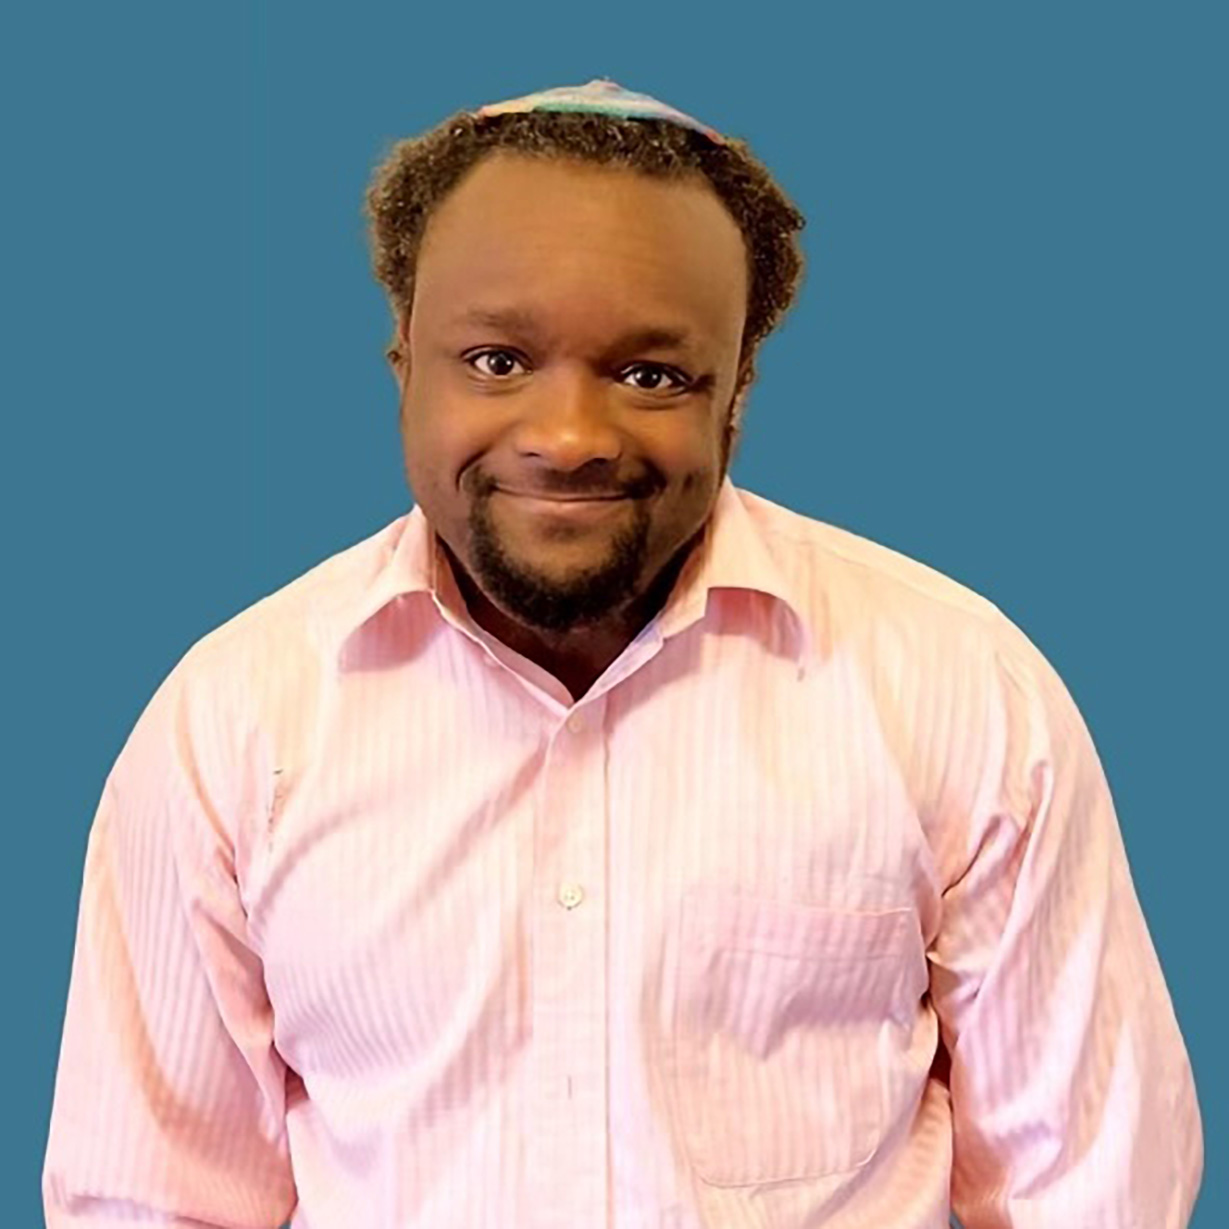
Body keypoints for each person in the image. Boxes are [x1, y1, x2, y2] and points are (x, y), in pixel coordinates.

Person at [42, 79, 1203, 1228]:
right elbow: (149, 1194)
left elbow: (1091, 1187)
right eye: (495, 359)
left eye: (651, 374)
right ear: (404, 364)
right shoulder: (230, 719)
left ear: (734, 393)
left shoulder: (957, 688)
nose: (566, 437)